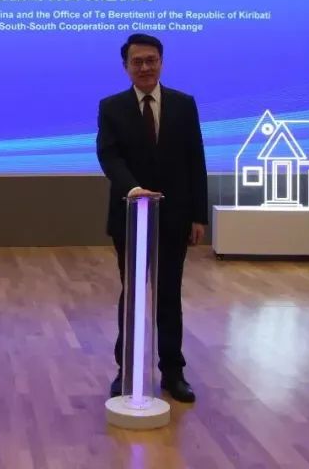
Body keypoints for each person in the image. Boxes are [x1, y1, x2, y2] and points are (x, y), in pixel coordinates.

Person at [96, 33, 208, 404]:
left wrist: (199, 215)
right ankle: (126, 369)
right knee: (132, 293)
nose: (144, 67)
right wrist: (133, 189)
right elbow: (109, 156)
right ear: (125, 66)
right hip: (130, 215)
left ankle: (173, 371)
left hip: (175, 218)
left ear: (161, 62)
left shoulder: (183, 104)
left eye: (151, 60)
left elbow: (195, 160)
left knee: (168, 294)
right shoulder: (111, 107)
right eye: (137, 62)